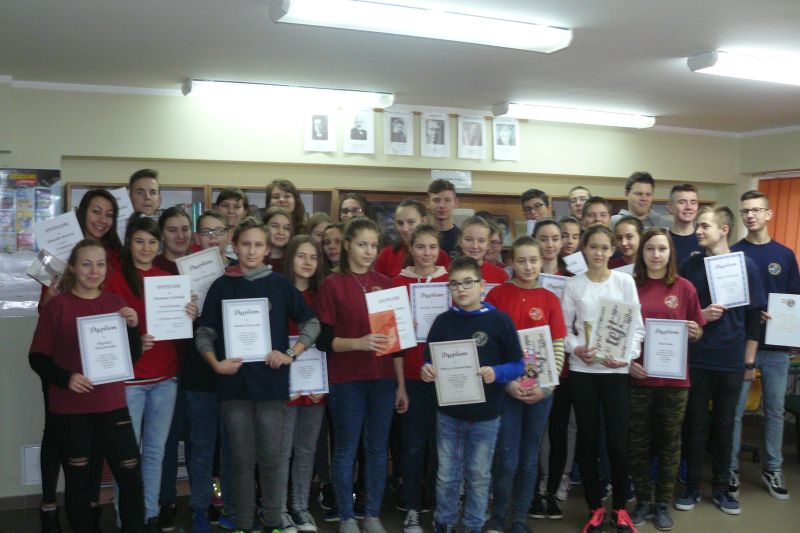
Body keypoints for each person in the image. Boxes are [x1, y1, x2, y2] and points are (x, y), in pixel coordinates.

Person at [195, 216, 319, 533]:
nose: (251, 251)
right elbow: (204, 333)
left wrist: (291, 353)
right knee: (240, 460)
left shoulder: (280, 285)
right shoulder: (221, 286)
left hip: (271, 386)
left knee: (272, 459)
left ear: (267, 250)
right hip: (233, 387)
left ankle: (275, 522)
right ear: (235, 247)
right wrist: (215, 363)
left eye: (258, 245)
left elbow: (311, 323)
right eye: (246, 244)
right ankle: (244, 523)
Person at [29, 239, 145, 533]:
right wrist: (67, 378)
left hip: (112, 406)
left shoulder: (116, 305)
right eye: (86, 264)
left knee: (131, 478)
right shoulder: (57, 306)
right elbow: (37, 358)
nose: (94, 271)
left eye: (100, 264)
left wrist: (133, 328)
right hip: (72, 410)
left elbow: (130, 358)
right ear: (72, 268)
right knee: (79, 484)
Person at [34, 188, 124, 532]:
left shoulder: (114, 255)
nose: (102, 219)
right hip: (62, 356)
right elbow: (44, 308)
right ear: (82, 212)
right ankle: (48, 503)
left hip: (100, 360)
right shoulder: (56, 252)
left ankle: (90, 505)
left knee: (96, 436)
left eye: (109, 214)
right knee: (56, 433)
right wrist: (54, 296)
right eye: (96, 211)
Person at [105, 214, 198, 531]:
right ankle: (126, 518)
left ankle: (149, 514)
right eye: (139, 241)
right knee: (127, 455)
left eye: (152, 242)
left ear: (159, 245)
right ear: (129, 244)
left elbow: (179, 331)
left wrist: (189, 314)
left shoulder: (167, 279)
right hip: (130, 381)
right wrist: (131, 338)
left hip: (165, 379)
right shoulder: (115, 280)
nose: (146, 248)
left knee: (156, 452)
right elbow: (102, 331)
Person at [314, 217, 405, 533]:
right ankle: (346, 516)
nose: (369, 251)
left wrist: (401, 385)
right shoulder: (332, 284)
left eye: (374, 246)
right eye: (362, 244)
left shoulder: (386, 283)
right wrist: (359, 343)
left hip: (383, 379)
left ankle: (372, 515)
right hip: (347, 379)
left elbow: (395, 342)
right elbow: (323, 340)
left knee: (377, 449)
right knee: (346, 449)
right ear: (347, 245)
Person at [420, 256, 524, 533]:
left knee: (479, 476)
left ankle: (473, 526)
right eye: (454, 284)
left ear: (482, 285)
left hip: (486, 415)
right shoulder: (442, 322)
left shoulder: (500, 320)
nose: (461, 289)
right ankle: (445, 522)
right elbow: (427, 360)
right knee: (446, 476)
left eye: (468, 282)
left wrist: (497, 372)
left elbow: (519, 365)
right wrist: (426, 370)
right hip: (448, 413)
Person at [675, 206, 766, 516]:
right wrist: (702, 315)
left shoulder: (745, 266)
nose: (698, 231)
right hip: (697, 358)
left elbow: (755, 316)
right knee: (695, 425)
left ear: (724, 230)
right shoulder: (690, 265)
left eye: (704, 226)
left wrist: (749, 362)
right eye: (698, 226)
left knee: (725, 426)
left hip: (730, 359)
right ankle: (691, 487)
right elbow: (679, 311)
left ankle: (722, 488)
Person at [561, 224, 645, 533]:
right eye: (593, 247)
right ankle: (595, 507)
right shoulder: (574, 285)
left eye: (604, 247)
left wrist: (626, 356)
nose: (599, 253)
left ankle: (620, 508)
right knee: (588, 441)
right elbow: (563, 328)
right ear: (584, 249)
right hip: (583, 371)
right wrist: (576, 348)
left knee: (618, 443)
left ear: (612, 250)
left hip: (615, 372)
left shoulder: (624, 282)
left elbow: (636, 327)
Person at [484, 236, 567, 533]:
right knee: (506, 460)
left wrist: (547, 388)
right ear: (511, 263)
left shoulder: (550, 299)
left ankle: (519, 519)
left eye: (534, 260)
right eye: (521, 261)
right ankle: (498, 517)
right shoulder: (497, 296)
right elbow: (490, 348)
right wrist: (507, 383)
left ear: (541, 261)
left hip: (540, 392)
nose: (528, 266)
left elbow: (557, 346)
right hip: (506, 391)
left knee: (529, 459)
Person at [627, 228, 706, 531]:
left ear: (670, 252)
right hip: (638, 379)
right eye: (650, 249)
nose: (656, 255)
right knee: (637, 444)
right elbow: (619, 332)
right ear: (642, 253)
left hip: (674, 383)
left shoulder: (684, 287)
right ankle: (643, 501)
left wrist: (696, 332)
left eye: (662, 249)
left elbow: (698, 329)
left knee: (670, 445)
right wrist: (628, 364)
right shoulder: (629, 286)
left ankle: (661, 503)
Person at [730, 190, 800, 500]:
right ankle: (729, 468)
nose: (751, 215)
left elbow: (794, 299)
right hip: (742, 346)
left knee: (775, 411)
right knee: (734, 411)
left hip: (776, 347)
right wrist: (751, 312)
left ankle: (773, 468)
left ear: (768, 214)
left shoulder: (785, 255)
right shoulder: (734, 254)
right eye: (745, 211)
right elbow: (729, 302)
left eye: (757, 210)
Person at [391, 224, 449, 533]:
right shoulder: (397, 284)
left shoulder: (450, 282)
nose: (427, 253)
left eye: (432, 247)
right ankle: (413, 508)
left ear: (439, 249)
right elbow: (393, 344)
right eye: (421, 246)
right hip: (412, 377)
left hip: (444, 378)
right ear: (411, 248)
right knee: (412, 447)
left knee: (442, 448)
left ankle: (440, 508)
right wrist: (400, 385)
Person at [179, 210, 234, 532]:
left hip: (235, 375)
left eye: (219, 231)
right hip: (199, 374)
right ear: (197, 237)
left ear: (229, 236)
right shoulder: (181, 276)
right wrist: (183, 312)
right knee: (201, 449)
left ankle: (225, 504)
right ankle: (199, 508)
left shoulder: (240, 272)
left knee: (231, 450)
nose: (213, 238)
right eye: (206, 232)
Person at [278, 235, 327, 533]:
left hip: (315, 384)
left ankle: (300, 507)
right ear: (290, 259)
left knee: (307, 449)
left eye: (313, 257)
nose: (307, 262)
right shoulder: (277, 292)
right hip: (284, 384)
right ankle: (280, 510)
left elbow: (327, 340)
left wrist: (321, 383)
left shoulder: (323, 295)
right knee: (281, 451)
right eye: (301, 256)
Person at [152, 207, 194, 531]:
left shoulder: (201, 265)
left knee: (198, 440)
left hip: (200, 366)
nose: (180, 235)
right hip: (166, 368)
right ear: (162, 234)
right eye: (172, 229)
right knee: (164, 441)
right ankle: (165, 500)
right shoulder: (153, 269)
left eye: (184, 228)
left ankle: (201, 500)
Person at [375, 199, 450, 278]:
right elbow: (377, 283)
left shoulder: (440, 256)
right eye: (400, 223)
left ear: (424, 221)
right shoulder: (386, 255)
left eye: (411, 222)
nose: (405, 229)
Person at [456, 216, 509, 284]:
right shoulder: (449, 272)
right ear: (459, 241)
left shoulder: (500, 275)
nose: (475, 246)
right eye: (468, 239)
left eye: (481, 241)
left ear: (488, 245)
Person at [665, 183, 703, 265]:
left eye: (693, 203)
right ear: (670, 207)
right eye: (682, 202)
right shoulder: (663, 240)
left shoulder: (704, 239)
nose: (688, 207)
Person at [427, 179, 460, 256]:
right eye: (436, 200)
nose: (441, 205)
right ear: (427, 203)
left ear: (456, 203)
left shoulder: (462, 237)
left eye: (447, 200)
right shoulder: (420, 236)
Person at [263, 206, 294, 273]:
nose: (281, 232)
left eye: (286, 228)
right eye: (275, 226)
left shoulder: (294, 260)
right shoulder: (255, 258)